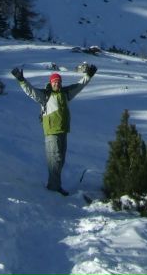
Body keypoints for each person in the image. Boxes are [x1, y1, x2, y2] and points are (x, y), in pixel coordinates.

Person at [10, 64, 97, 195]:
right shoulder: (45, 95)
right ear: (51, 83)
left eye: (59, 82)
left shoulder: (65, 93)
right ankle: (53, 188)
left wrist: (88, 75)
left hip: (63, 131)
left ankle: (55, 185)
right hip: (51, 132)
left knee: (60, 160)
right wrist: (21, 80)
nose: (57, 84)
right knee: (54, 160)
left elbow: (79, 86)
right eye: (55, 82)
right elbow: (31, 91)